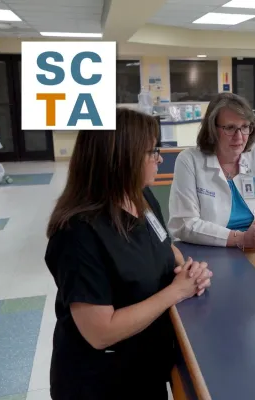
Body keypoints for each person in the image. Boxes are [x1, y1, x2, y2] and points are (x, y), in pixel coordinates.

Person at [45, 108, 213, 399]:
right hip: (102, 381)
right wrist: (177, 291)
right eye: (152, 151)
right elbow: (100, 333)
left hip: (145, 364)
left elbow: (162, 244)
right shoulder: (78, 234)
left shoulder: (140, 197)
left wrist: (188, 269)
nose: (159, 158)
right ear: (120, 159)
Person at [168, 93, 255, 251]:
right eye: (230, 128)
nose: (239, 137)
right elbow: (184, 223)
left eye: (245, 127)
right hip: (209, 250)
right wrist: (242, 238)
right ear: (212, 129)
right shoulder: (189, 161)